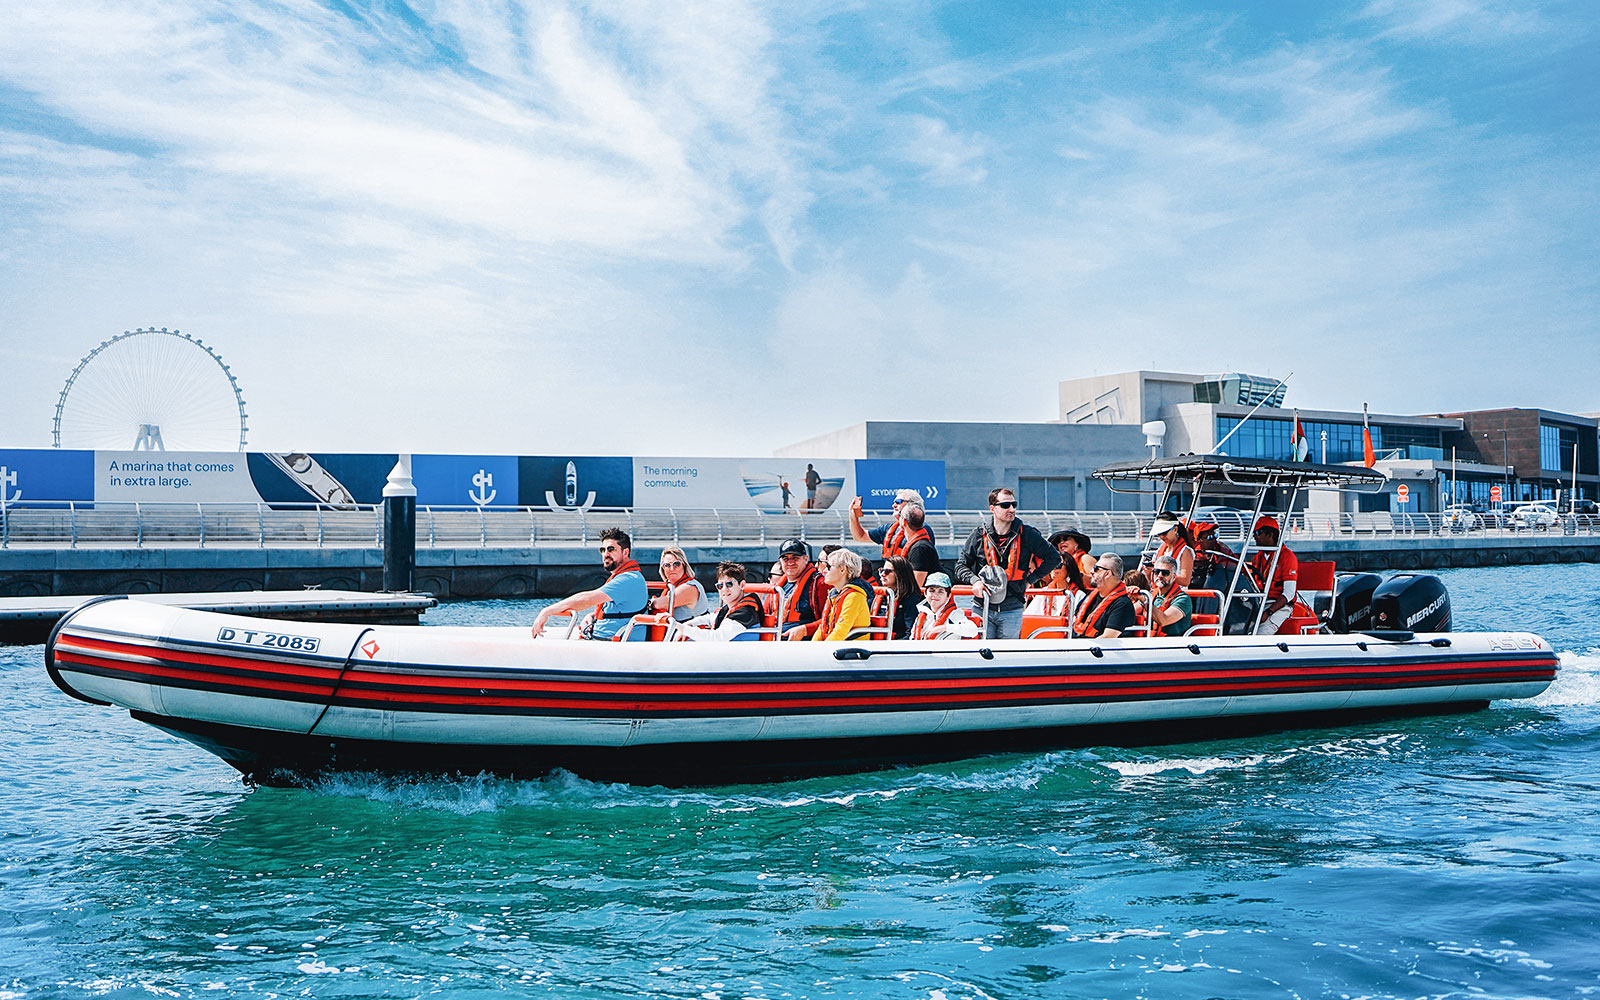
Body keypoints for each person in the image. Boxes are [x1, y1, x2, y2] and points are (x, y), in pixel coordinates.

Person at [955, 487, 1056, 639]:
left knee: (1008, 654)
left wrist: (1030, 580)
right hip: (983, 606)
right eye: (1005, 505)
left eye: (1014, 505)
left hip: (1012, 608)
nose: (1011, 509)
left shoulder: (1028, 534)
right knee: (980, 652)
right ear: (992, 509)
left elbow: (1054, 558)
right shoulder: (978, 535)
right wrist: (975, 581)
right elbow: (960, 566)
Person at [530, 527, 648, 640]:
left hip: (613, 646)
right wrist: (593, 616)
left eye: (611, 549)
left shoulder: (628, 579)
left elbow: (586, 599)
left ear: (625, 552)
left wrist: (546, 611)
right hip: (602, 641)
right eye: (603, 550)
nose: (606, 554)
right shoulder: (623, 577)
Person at [850, 490, 941, 585]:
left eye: (898, 502)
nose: (893, 505)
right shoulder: (890, 529)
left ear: (912, 505)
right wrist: (853, 515)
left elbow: (919, 573)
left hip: (913, 588)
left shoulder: (921, 531)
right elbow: (860, 536)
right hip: (896, 586)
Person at [1248, 515, 1300, 634]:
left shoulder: (1287, 557)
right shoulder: (1257, 558)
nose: (1254, 536)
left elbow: (1289, 593)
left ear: (1270, 535)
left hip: (1280, 606)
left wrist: (1268, 612)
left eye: (1257, 532)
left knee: (1261, 633)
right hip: (1259, 603)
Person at [1071, 552, 1138, 639]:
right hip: (1079, 645)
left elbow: (1108, 637)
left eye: (1096, 568)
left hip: (1098, 650)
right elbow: (1073, 621)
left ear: (1107, 574)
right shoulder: (1089, 596)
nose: (1091, 571)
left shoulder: (1122, 604)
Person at [810, 548, 873, 641]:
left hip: (852, 651)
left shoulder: (854, 597)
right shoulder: (834, 595)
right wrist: (811, 648)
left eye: (829, 567)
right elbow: (822, 629)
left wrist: (820, 651)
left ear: (843, 570)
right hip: (838, 648)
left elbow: (840, 632)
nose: (824, 571)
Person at [776, 538, 831, 639]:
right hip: (777, 640)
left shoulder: (819, 583)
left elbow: (830, 618)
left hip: (807, 643)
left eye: (795, 558)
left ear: (805, 559)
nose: (790, 562)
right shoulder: (777, 588)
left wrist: (805, 629)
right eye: (785, 559)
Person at [911, 572, 982, 639]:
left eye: (940, 591)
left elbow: (973, 630)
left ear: (948, 596)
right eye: (931, 591)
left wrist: (944, 627)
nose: (935, 595)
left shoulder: (954, 614)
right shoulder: (919, 613)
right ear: (925, 593)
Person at [649, 546, 709, 622]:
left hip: (691, 632)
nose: (672, 569)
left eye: (676, 564)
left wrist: (645, 603)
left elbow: (660, 604)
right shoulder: (671, 588)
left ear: (684, 565)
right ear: (663, 568)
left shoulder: (690, 587)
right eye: (667, 565)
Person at [1147, 554, 1193, 638]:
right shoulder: (1150, 594)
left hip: (1173, 645)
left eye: (1165, 573)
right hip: (1150, 642)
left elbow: (1164, 620)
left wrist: (1145, 601)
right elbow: (1133, 610)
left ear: (1174, 577)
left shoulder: (1183, 599)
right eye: (1156, 572)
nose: (1160, 575)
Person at [877, 556, 922, 639]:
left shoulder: (911, 599)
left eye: (887, 571)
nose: (882, 574)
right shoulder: (878, 597)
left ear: (899, 574)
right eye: (881, 570)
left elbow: (910, 632)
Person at [711, 562, 765, 630]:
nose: (724, 589)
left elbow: (718, 637)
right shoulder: (727, 610)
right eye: (720, 586)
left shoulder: (745, 613)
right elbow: (710, 618)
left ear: (742, 585)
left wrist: (693, 632)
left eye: (729, 584)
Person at [1146, 515, 1195, 587]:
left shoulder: (1185, 551)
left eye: (1164, 533)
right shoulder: (1160, 550)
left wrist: (1163, 573)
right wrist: (1150, 572)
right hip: (1160, 593)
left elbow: (1185, 581)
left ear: (1175, 529)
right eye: (1159, 534)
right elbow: (1151, 580)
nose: (1162, 537)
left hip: (1178, 594)